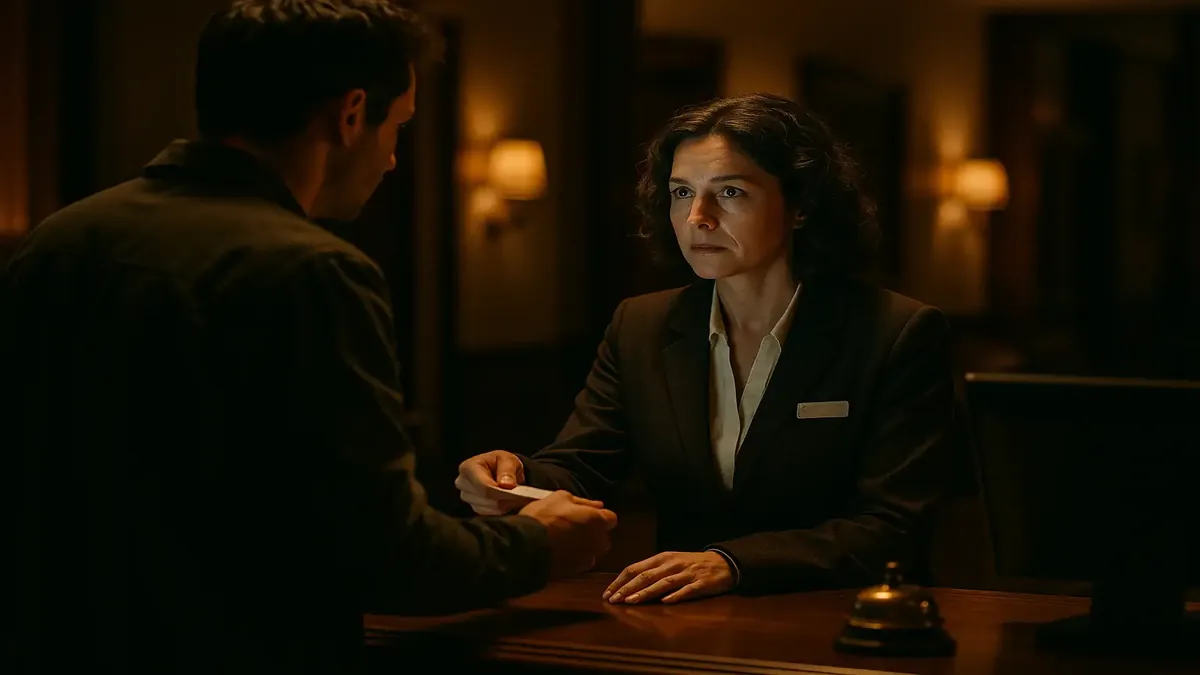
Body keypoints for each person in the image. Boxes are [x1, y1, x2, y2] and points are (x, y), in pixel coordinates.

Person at [3, 2, 615, 672]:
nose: (390, 159)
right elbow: (382, 552)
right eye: (398, 125)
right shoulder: (311, 270)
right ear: (351, 114)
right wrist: (537, 541)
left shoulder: (57, 241)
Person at [457, 93, 955, 606]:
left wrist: (733, 563)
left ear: (801, 204)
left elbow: (894, 526)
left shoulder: (896, 332)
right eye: (680, 192)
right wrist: (513, 475)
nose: (698, 217)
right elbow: (582, 466)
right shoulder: (642, 325)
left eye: (731, 191)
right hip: (685, 620)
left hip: (847, 621)